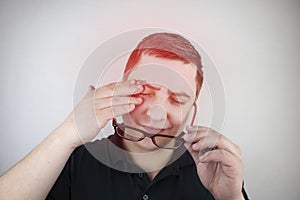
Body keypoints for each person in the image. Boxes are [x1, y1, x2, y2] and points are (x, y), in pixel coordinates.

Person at [0, 32, 249, 200]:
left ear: (192, 113)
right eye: (146, 91)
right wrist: (69, 132)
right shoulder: (76, 162)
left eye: (177, 99)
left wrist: (231, 199)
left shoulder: (214, 169)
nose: (156, 114)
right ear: (120, 90)